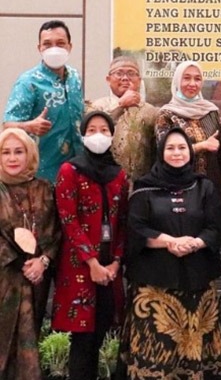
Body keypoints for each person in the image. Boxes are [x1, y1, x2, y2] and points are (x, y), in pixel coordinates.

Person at [118, 127, 221, 378]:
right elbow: (135, 229)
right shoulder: (144, 188)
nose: (176, 153)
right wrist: (169, 242)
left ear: (190, 151)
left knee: (193, 353)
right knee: (157, 356)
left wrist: (195, 243)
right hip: (154, 287)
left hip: (197, 284)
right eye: (170, 148)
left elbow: (216, 226)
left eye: (181, 147)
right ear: (160, 152)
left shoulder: (204, 186)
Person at [52, 111, 127, 380]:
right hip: (80, 267)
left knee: (102, 330)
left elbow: (122, 222)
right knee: (82, 339)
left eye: (104, 130)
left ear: (112, 135)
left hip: (109, 269)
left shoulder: (119, 175)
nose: (98, 135)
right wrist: (92, 262)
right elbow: (68, 220)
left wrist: (116, 262)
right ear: (83, 135)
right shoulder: (69, 171)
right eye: (92, 130)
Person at [0, 129, 60, 379]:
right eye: (6, 152)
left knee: (28, 344)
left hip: (37, 280)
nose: (12, 158)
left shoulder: (44, 188)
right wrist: (19, 263)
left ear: (30, 154)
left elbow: (56, 231)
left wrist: (43, 261)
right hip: (5, 278)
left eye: (19, 151)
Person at [3, 20, 83, 183]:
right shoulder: (28, 82)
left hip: (78, 170)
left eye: (60, 43)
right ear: (39, 48)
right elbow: (8, 125)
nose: (54, 49)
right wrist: (29, 126)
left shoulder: (74, 77)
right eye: (47, 44)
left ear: (70, 47)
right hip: (43, 175)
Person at [155, 60, 221, 192]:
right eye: (186, 78)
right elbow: (163, 151)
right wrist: (201, 146)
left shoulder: (211, 112)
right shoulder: (166, 115)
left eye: (197, 79)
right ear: (177, 81)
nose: (192, 84)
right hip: (179, 187)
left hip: (212, 187)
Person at [87, 56, 158, 182]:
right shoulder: (97, 106)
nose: (125, 78)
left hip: (141, 182)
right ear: (108, 79)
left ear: (139, 80)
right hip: (105, 180)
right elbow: (91, 134)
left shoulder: (151, 112)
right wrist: (120, 105)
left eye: (131, 73)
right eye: (119, 73)